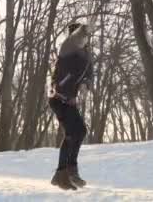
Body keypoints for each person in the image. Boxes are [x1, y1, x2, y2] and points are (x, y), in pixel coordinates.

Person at [49, 22, 93, 190]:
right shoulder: (67, 48)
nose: (83, 39)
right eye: (80, 36)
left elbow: (89, 75)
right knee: (78, 131)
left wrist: (85, 84)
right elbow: (74, 39)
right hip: (59, 98)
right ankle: (70, 171)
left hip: (68, 100)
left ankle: (61, 175)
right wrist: (83, 30)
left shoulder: (85, 55)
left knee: (74, 133)